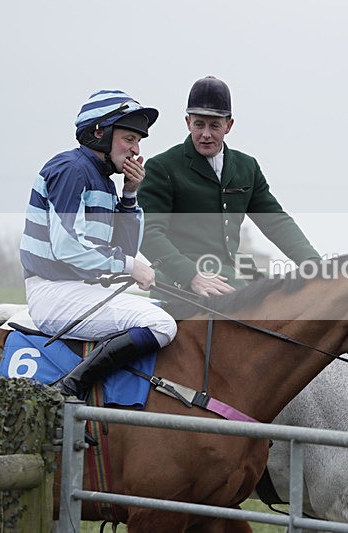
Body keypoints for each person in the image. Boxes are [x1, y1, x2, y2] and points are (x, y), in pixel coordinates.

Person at [19, 89, 177, 397]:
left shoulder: (102, 180)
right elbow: (68, 246)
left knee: (174, 312)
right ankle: (66, 390)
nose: (136, 150)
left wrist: (129, 193)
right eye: (129, 139)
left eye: (138, 141)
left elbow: (123, 249)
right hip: (54, 292)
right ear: (99, 133)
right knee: (161, 325)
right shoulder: (71, 170)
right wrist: (131, 267)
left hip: (80, 290)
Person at [137, 76, 320, 298]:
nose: (205, 134)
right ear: (187, 122)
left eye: (214, 125)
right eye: (199, 124)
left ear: (229, 125)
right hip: (182, 285)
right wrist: (190, 275)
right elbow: (147, 232)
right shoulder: (163, 167)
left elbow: (275, 221)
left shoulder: (247, 167)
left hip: (234, 274)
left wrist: (313, 263)